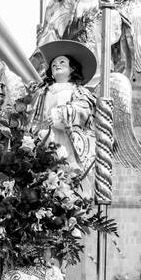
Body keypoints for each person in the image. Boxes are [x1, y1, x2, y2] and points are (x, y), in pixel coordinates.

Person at [28, 41, 97, 194]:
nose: (57, 65)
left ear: (72, 68)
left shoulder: (78, 91)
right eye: (53, 64)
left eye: (62, 62)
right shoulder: (43, 92)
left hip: (67, 141)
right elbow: (32, 112)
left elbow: (84, 110)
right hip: (46, 138)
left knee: (67, 172)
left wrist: (60, 116)